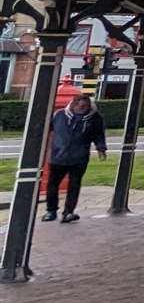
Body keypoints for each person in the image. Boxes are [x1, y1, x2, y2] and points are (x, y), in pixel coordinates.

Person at [45, 93, 108, 223]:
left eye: (85, 107)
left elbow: (99, 134)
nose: (82, 109)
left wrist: (101, 148)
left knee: (74, 184)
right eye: (79, 106)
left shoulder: (95, 118)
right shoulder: (59, 115)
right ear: (73, 105)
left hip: (79, 157)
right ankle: (51, 210)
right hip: (58, 156)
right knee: (52, 184)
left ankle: (68, 212)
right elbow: (49, 130)